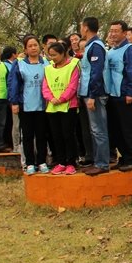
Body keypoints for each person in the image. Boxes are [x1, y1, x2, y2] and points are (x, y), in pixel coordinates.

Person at [8, 35, 50, 175]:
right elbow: (13, 84)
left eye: (35, 45)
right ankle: (30, 163)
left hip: (42, 105)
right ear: (25, 49)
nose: (33, 48)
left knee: (42, 134)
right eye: (30, 46)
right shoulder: (19, 64)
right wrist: (14, 102)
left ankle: (42, 161)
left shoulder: (46, 63)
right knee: (27, 135)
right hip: (25, 105)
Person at [105, 20, 132, 172]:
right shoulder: (111, 51)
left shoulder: (129, 49)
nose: (113, 34)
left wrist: (131, 92)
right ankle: (123, 157)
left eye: (116, 31)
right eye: (111, 31)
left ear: (125, 33)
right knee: (116, 130)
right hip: (112, 96)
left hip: (125, 96)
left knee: (128, 129)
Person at [78, 17, 111, 175]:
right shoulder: (90, 46)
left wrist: (92, 95)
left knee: (99, 130)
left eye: (81, 27)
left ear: (85, 28)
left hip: (95, 94)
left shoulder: (96, 46)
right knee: (94, 130)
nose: (80, 29)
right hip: (88, 92)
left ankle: (102, 164)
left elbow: (96, 73)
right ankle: (97, 161)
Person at [42, 42, 80, 175]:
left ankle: (71, 163)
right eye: (50, 55)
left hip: (69, 106)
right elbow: (45, 87)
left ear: (63, 53)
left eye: (55, 55)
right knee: (56, 136)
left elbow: (73, 86)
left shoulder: (73, 66)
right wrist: (51, 98)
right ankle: (61, 162)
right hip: (53, 107)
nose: (52, 58)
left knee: (68, 135)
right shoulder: (48, 69)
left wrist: (63, 98)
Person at [0, 46, 19, 152]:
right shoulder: (6, 65)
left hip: (9, 97)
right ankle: (14, 145)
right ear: (13, 54)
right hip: (10, 97)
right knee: (13, 123)